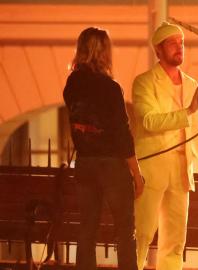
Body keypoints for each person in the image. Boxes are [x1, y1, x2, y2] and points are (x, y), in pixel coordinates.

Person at [132, 22, 198, 270]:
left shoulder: (191, 85)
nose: (178, 47)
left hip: (181, 171)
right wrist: (187, 112)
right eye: (172, 43)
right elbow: (149, 121)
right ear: (158, 50)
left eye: (181, 42)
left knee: (175, 242)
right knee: (142, 235)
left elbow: (197, 128)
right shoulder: (144, 83)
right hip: (152, 171)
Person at [63, 27, 144, 270]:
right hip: (111, 166)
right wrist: (137, 175)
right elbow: (122, 134)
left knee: (87, 230)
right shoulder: (110, 88)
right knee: (125, 232)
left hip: (85, 164)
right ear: (103, 52)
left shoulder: (72, 85)